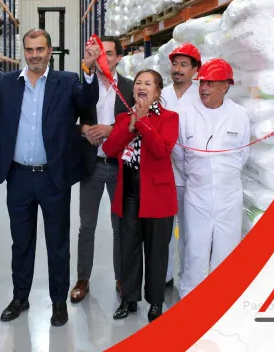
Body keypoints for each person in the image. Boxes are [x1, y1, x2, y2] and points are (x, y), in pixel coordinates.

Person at [0, 29, 98, 326]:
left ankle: (58, 302)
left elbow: (88, 99)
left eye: (40, 49)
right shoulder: (8, 82)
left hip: (53, 179)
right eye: (29, 49)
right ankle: (20, 297)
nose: (34, 55)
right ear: (24, 51)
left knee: (57, 244)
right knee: (21, 242)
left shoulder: (67, 81)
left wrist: (89, 69)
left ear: (50, 50)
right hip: (19, 177)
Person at [102, 69, 179, 322]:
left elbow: (161, 150)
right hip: (130, 191)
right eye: (138, 83)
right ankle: (129, 298)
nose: (141, 87)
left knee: (157, 250)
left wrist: (143, 123)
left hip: (157, 194)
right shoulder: (124, 117)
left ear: (158, 91)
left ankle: (155, 302)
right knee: (129, 247)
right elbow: (109, 148)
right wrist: (131, 125)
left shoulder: (169, 118)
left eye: (148, 83)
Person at [173, 58, 251, 299]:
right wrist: (201, 176)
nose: (204, 88)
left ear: (225, 86)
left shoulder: (239, 114)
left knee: (226, 252)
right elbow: (179, 155)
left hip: (229, 197)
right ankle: (190, 299)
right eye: (202, 83)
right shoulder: (186, 114)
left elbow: (243, 155)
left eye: (210, 83)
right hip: (197, 196)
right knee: (195, 251)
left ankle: (221, 301)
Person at [71, 36, 134, 303]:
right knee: (87, 226)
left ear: (119, 58)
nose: (103, 59)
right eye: (99, 54)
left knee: (121, 226)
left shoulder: (130, 87)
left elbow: (138, 123)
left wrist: (111, 130)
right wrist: (83, 129)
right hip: (92, 166)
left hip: (120, 166)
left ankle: (122, 277)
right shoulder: (83, 85)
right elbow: (65, 120)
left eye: (109, 54)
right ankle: (82, 279)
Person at [161, 43, 202, 288]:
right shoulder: (162, 94)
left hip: (190, 177)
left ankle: (187, 275)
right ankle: (165, 275)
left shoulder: (200, 96)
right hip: (164, 175)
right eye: (175, 64)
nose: (177, 69)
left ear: (195, 70)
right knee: (164, 230)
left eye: (184, 65)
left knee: (189, 231)